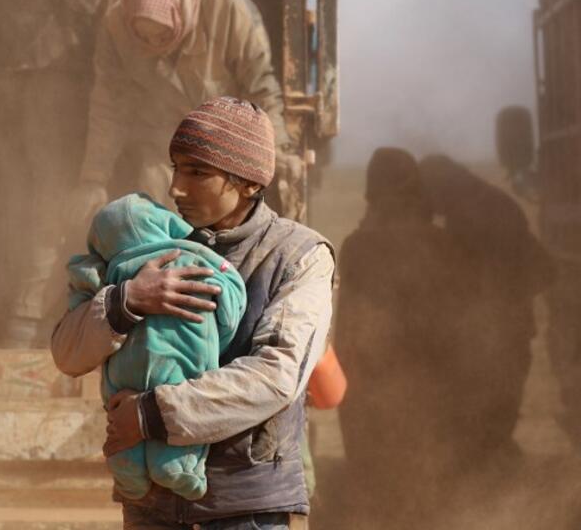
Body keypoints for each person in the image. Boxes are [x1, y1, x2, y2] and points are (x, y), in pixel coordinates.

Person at [53, 96, 334, 529]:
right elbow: (67, 354)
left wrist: (150, 415)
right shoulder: (142, 247)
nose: (176, 188)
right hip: (153, 509)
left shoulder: (299, 256)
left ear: (250, 183)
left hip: (248, 512)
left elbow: (277, 375)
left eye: (198, 172)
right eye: (176, 168)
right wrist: (125, 301)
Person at [0, 0, 180, 346]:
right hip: (47, 56)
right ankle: (32, 317)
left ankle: (16, 312)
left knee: (16, 197)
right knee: (52, 195)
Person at [74, 0, 292, 219]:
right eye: (145, 39)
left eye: (164, 36)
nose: (156, 47)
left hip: (229, 140)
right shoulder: (115, 28)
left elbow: (261, 87)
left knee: (234, 221)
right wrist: (93, 179)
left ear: (180, 17)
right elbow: (108, 105)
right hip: (164, 144)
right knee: (160, 218)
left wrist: (278, 151)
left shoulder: (227, 7)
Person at [68, 192, 246, 501]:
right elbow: (230, 303)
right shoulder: (195, 257)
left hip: (124, 386)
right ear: (169, 226)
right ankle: (181, 470)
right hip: (180, 373)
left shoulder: (106, 273)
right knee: (179, 437)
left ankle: (129, 480)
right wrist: (221, 340)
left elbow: (77, 312)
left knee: (122, 432)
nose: (179, 189)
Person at [335, 148, 471, 526]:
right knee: (428, 492)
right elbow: (462, 327)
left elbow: (347, 330)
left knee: (376, 492)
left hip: (372, 391)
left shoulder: (359, 247)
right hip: (434, 390)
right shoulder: (444, 244)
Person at [419, 155, 555, 461]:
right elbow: (545, 269)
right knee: (494, 425)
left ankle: (491, 490)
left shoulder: (466, 217)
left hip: (490, 340)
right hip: (511, 333)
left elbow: (464, 285)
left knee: (482, 429)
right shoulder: (495, 203)